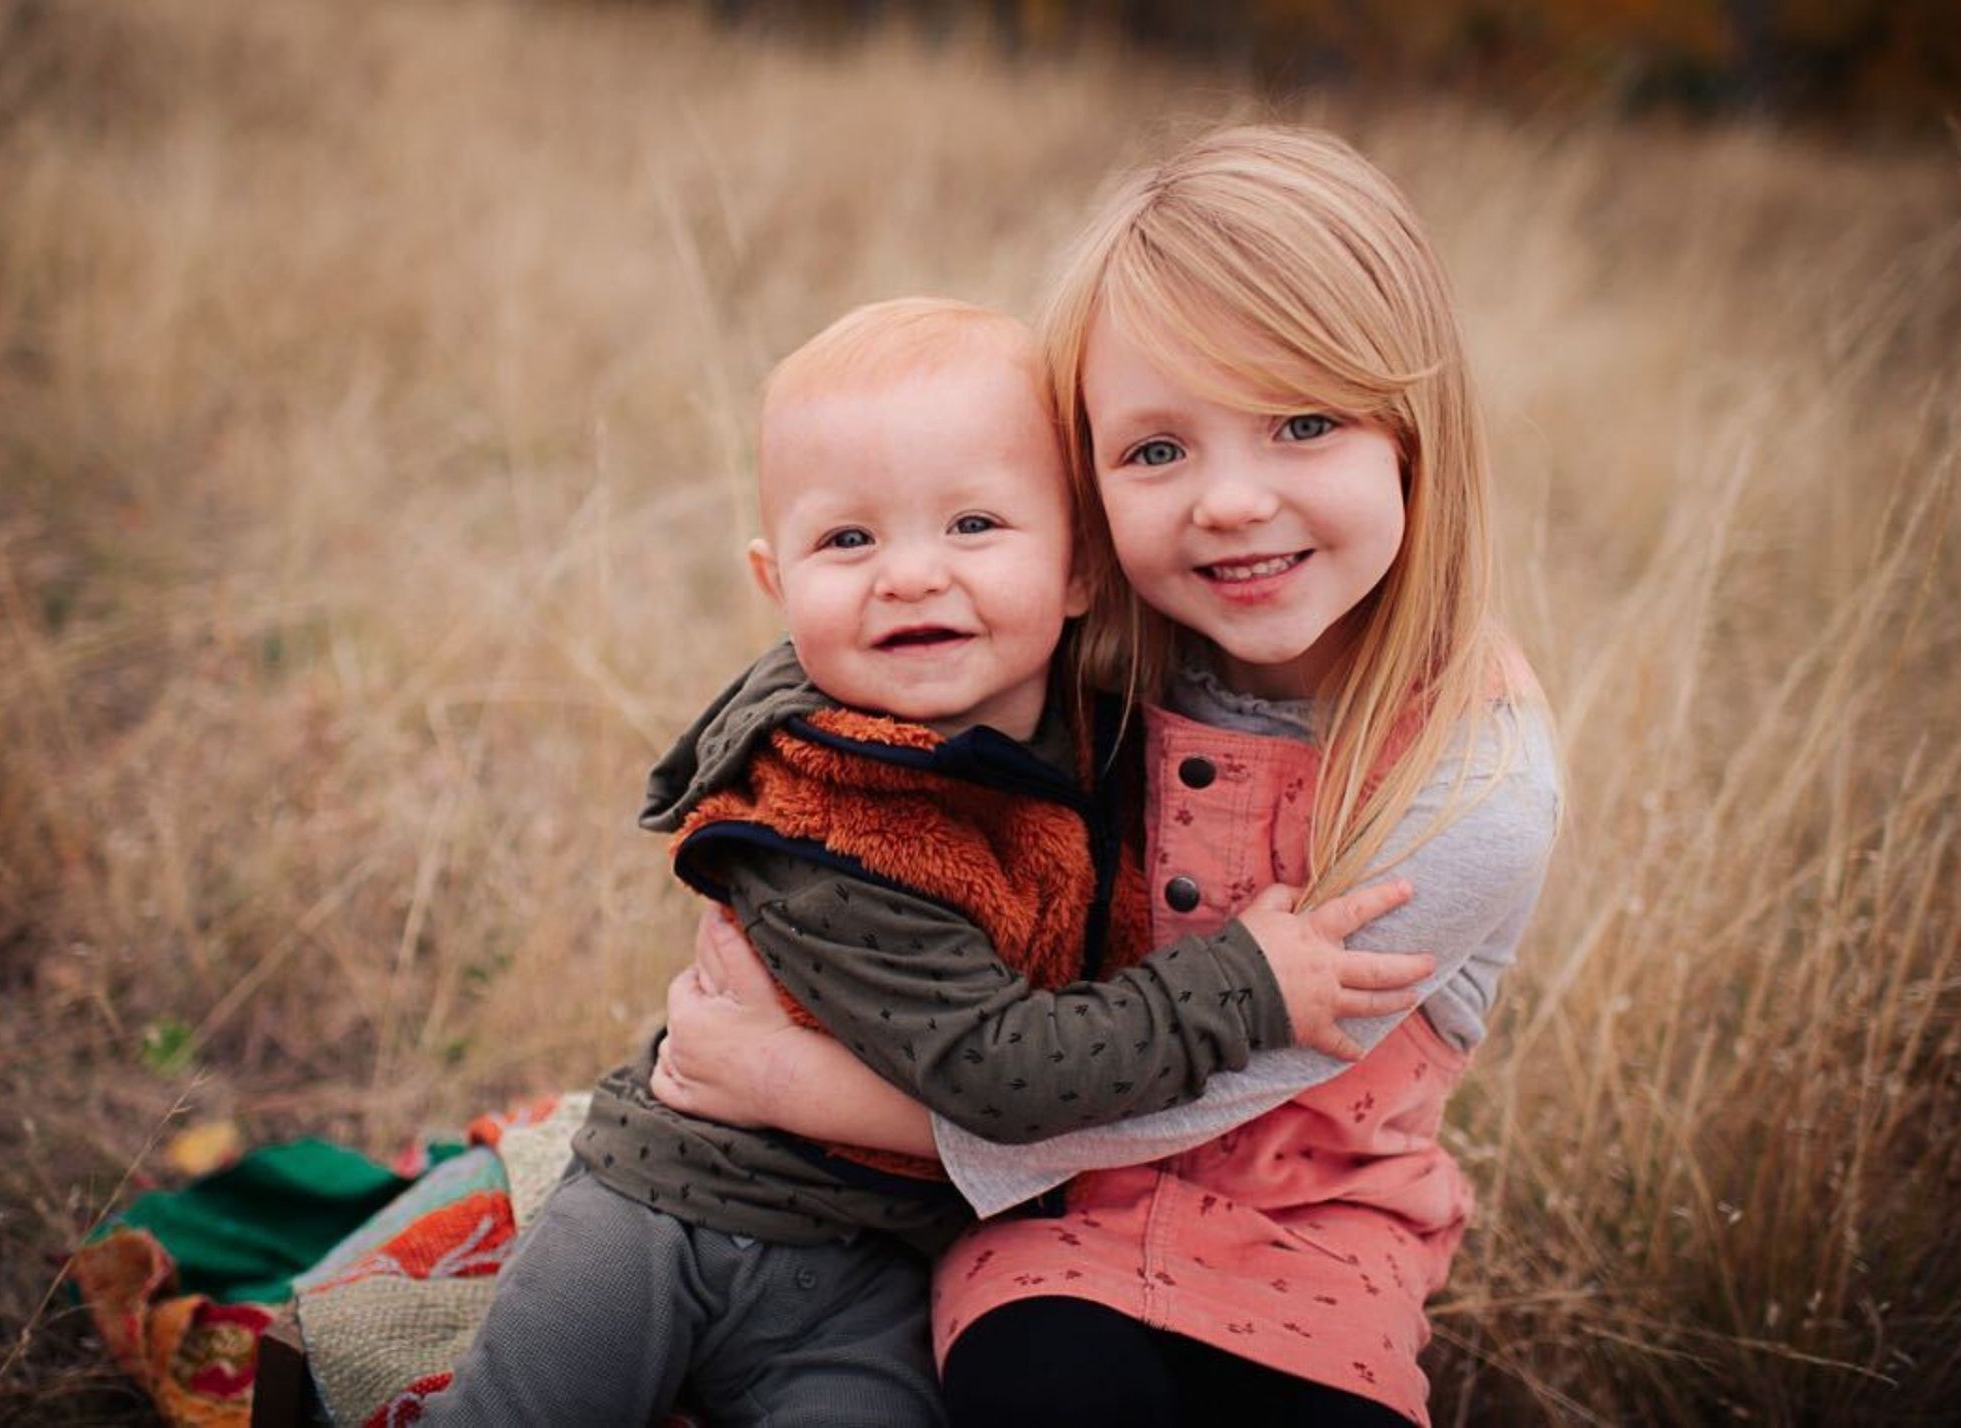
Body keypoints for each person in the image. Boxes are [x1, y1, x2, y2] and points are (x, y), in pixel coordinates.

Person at [651, 127, 1561, 1428]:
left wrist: (807, 1092)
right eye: (1156, 451)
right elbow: (864, 705)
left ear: (1415, 434)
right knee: (1051, 1391)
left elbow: (1190, 1106)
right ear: (1080, 491)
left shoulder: (1478, 786)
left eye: (1303, 421)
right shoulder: (1108, 642)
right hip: (1044, 1222)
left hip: (1319, 1237)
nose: (1232, 503)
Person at [422, 296, 1437, 1427]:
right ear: (774, 581)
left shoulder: (1082, 735)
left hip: (873, 1280)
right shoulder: (819, 816)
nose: (907, 576)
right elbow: (998, 1073)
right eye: (846, 540)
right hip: (668, 1211)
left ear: (1076, 571)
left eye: (971, 527)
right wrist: (1240, 986)